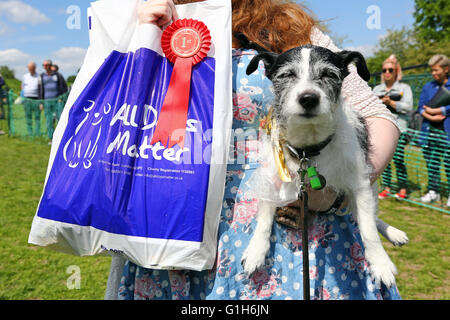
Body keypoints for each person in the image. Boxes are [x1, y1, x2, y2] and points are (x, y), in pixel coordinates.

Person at [105, 0, 402, 300]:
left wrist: (334, 192)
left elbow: (379, 118)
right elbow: (117, 113)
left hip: (290, 233)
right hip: (171, 227)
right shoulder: (149, 20)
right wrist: (138, 34)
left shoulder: (287, 25)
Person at [373, 55, 413, 200]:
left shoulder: (404, 88)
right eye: (384, 70)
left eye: (391, 69)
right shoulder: (377, 88)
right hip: (382, 130)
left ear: (397, 71)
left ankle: (403, 188)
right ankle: (387, 188)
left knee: (399, 159)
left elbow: (409, 107)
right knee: (384, 161)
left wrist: (393, 103)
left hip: (400, 129)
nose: (387, 72)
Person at [418, 54, 450, 206]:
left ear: (446, 69)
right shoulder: (427, 86)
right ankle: (433, 192)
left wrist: (441, 110)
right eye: (432, 70)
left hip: (446, 131)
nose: (433, 73)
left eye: (436, 70)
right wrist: (429, 115)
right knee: (431, 162)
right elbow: (420, 106)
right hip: (429, 130)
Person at [38, 59, 68, 142]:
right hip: (47, 102)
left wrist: (61, 98)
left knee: (60, 119)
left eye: (46, 65)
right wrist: (41, 102)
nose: (44, 66)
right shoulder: (41, 76)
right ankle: (51, 138)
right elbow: (39, 89)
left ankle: (62, 137)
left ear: (50, 65)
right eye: (43, 65)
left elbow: (64, 88)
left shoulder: (58, 75)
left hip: (57, 101)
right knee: (49, 120)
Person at [22, 61, 42, 137]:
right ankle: (30, 132)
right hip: (27, 99)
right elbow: (22, 86)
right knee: (28, 116)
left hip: (36, 99)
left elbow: (40, 88)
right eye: (29, 68)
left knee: (37, 116)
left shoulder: (39, 76)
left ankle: (37, 132)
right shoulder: (25, 76)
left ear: (34, 68)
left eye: (31, 68)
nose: (30, 69)